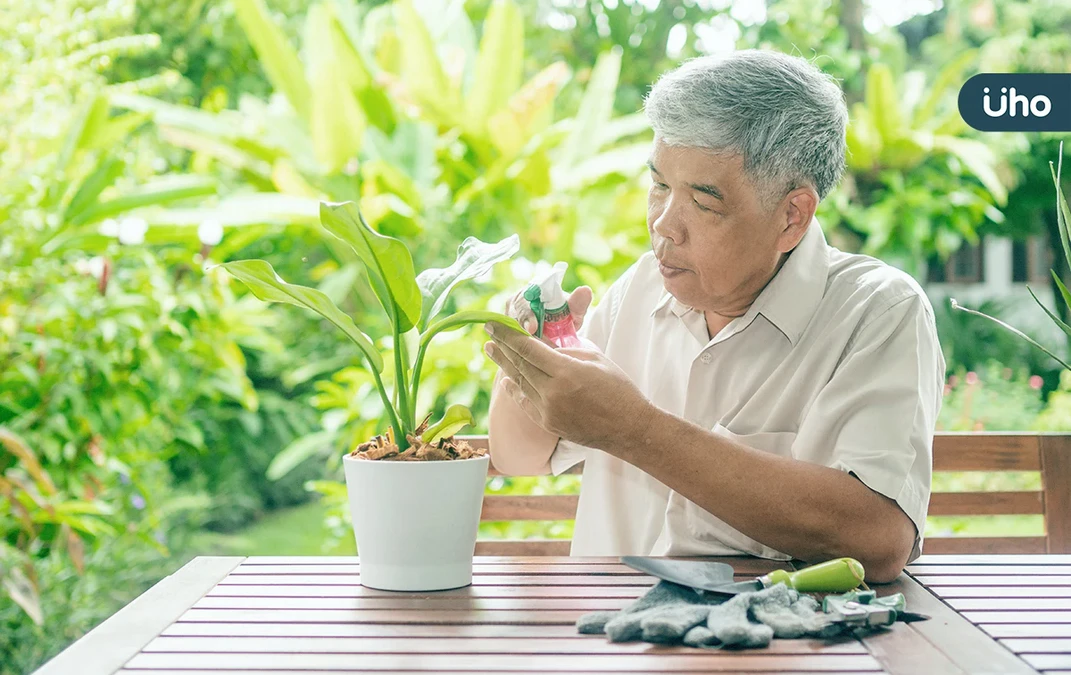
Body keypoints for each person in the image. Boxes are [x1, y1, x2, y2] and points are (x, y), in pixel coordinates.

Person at [482, 49, 945, 584]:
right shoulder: (641, 288)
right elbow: (516, 457)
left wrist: (633, 429)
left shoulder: (878, 311)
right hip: (612, 639)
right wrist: (529, 365)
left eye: (703, 201)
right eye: (659, 185)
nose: (664, 226)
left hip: (778, 652)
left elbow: (878, 539)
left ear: (792, 216)